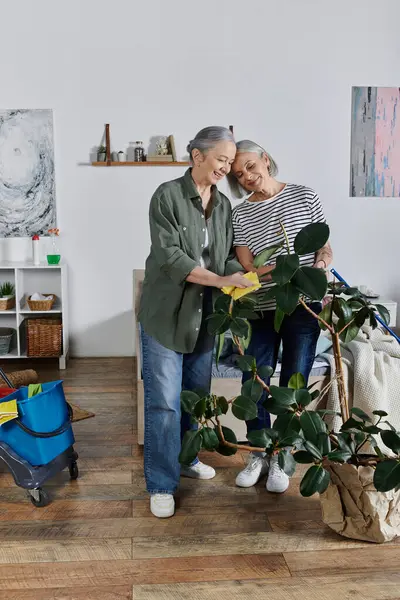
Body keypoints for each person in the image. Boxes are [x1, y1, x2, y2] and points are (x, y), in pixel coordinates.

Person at [138, 126, 252, 518]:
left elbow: (227, 261)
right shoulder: (167, 196)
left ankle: (186, 459)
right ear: (197, 156)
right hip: (165, 316)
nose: (227, 167)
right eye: (222, 159)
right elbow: (171, 258)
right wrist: (222, 280)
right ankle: (161, 483)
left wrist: (250, 274)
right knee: (165, 405)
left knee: (194, 397)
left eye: (229, 161)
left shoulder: (223, 207)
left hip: (206, 318)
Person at [227, 139, 333, 494]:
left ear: (266, 160)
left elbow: (323, 244)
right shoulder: (240, 213)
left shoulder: (305, 195)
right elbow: (247, 265)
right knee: (255, 378)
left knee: (293, 382)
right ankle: (260, 451)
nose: (247, 177)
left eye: (251, 167)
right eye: (239, 174)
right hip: (260, 307)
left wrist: (318, 266)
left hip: (303, 305)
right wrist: (287, 268)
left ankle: (283, 454)